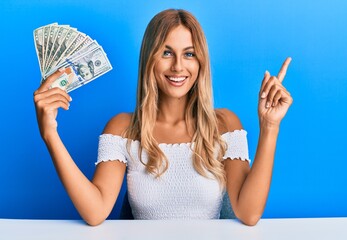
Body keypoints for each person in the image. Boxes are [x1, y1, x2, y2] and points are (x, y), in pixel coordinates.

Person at [33, 9, 293, 226]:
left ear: (201, 62)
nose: (178, 66)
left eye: (189, 54)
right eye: (166, 53)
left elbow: (249, 214)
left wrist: (269, 126)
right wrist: (50, 135)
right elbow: (95, 211)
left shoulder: (225, 125)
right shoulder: (122, 128)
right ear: (149, 59)